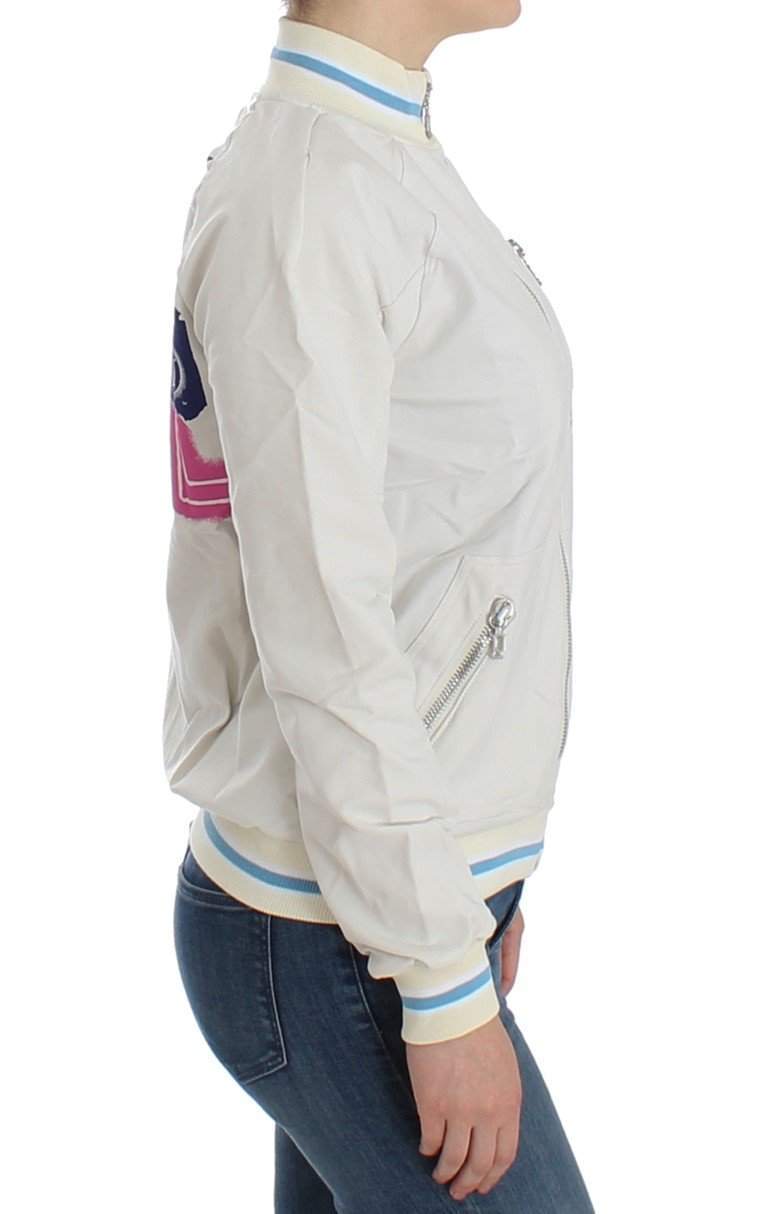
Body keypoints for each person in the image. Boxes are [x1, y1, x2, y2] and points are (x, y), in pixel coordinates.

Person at [167, 2, 592, 1209]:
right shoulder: (311, 195)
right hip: (333, 936)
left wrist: (479, 880)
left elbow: (435, 549)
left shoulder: (373, 149)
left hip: (384, 905)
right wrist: (438, 967)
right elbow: (327, 635)